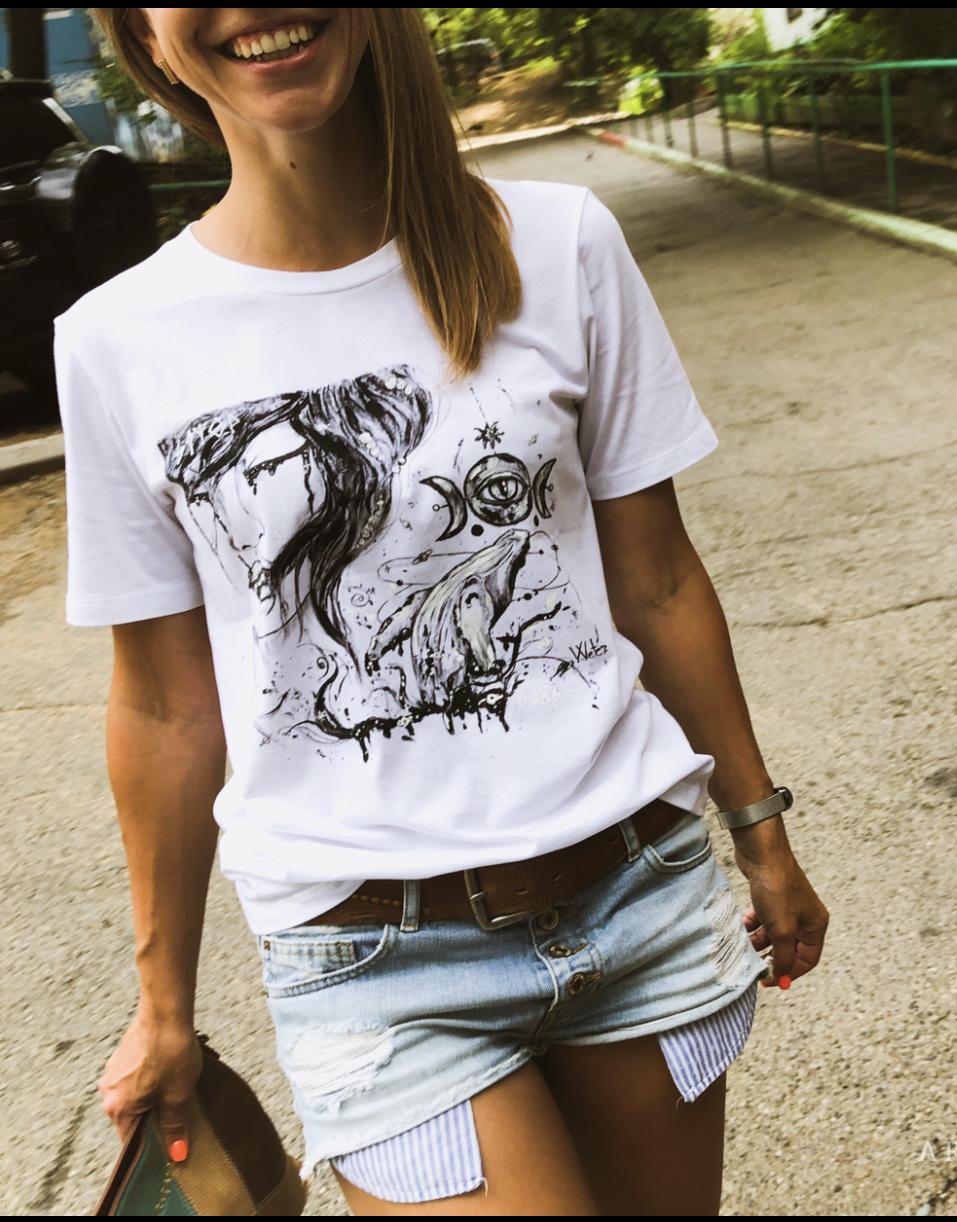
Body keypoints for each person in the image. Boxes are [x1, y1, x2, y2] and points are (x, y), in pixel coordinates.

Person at [63, 8, 829, 1215]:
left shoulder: (559, 243)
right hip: (372, 967)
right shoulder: (115, 342)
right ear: (145, 38)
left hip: (632, 896)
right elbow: (164, 707)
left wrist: (761, 829)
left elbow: (659, 579)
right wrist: (164, 1005)